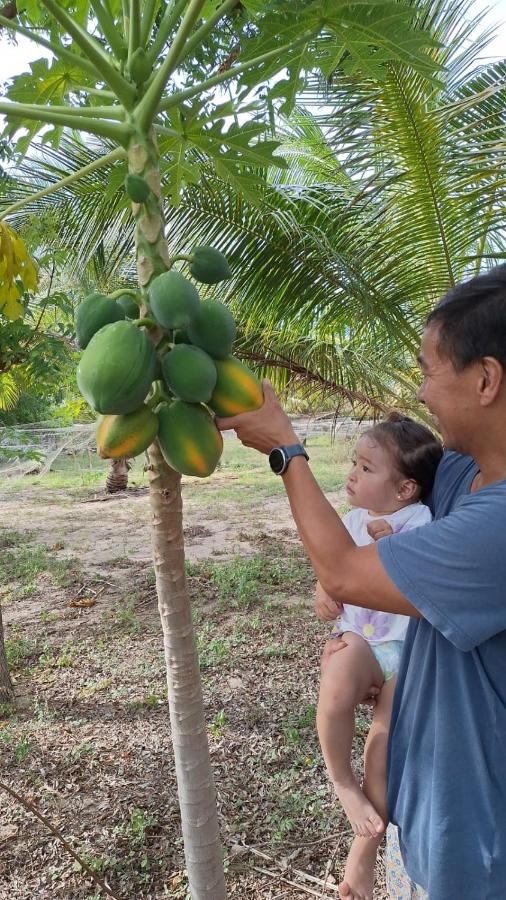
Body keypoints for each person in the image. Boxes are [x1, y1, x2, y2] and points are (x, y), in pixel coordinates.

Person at [216, 264, 506, 900]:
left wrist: (286, 451)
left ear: (486, 379)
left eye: (431, 371)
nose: (423, 395)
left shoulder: (499, 526)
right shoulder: (466, 476)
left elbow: (343, 573)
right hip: (437, 827)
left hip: (480, 860)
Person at [317, 417, 442, 894]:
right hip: (364, 644)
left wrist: (393, 541)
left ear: (406, 487)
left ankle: (363, 852)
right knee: (334, 692)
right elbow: (333, 573)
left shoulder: (421, 520)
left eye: (365, 468)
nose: (351, 475)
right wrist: (322, 594)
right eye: (354, 463)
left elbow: (417, 559)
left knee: (383, 750)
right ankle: (341, 781)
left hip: (407, 653)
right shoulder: (348, 523)